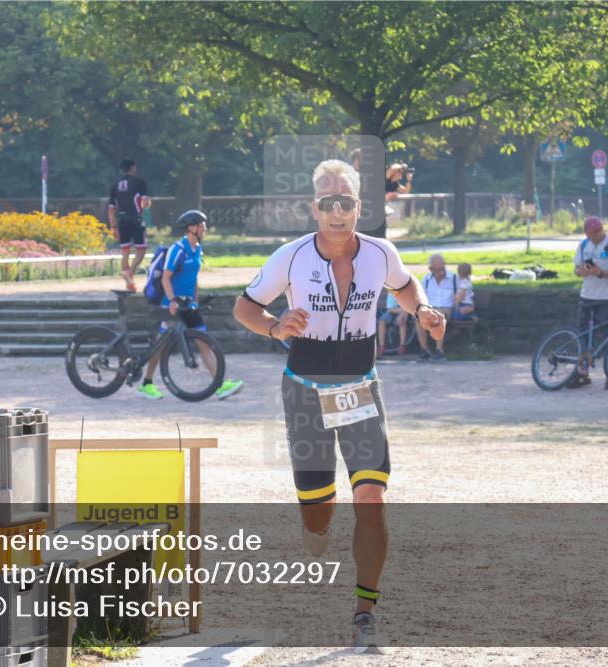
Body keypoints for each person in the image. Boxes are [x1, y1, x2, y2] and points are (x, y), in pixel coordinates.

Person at [232, 159, 445, 652]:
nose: (336, 211)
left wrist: (425, 309)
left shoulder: (379, 253)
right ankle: (314, 526)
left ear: (358, 207)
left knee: (370, 496)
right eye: (327, 202)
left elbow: (406, 286)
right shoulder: (289, 257)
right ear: (315, 208)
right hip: (305, 388)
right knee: (318, 515)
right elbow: (244, 306)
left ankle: (364, 612)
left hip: (359, 385)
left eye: (344, 202)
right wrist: (273, 326)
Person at [137, 210, 243, 401]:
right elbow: (166, 278)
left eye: (204, 226)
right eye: (201, 226)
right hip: (171, 305)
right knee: (159, 346)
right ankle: (147, 384)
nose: (205, 229)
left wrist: (195, 301)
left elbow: (193, 279)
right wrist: (171, 301)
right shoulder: (178, 249)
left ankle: (220, 384)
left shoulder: (197, 250)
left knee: (204, 341)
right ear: (191, 228)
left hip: (187, 304)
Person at [571, 216, 608, 389]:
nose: (591, 238)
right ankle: (582, 374)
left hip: (606, 298)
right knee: (584, 336)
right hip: (587, 295)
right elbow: (576, 269)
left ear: (601, 230)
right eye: (587, 234)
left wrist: (600, 273)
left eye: (593, 234)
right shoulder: (583, 245)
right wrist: (582, 272)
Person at [108, 158, 152, 291]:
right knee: (141, 250)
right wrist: (149, 202)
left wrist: (113, 227)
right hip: (136, 220)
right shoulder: (139, 183)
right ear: (133, 168)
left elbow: (111, 210)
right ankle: (130, 272)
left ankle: (130, 284)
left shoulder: (115, 185)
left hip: (121, 221)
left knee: (125, 252)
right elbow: (145, 203)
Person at [415, 253, 459, 362]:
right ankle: (424, 350)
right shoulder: (427, 279)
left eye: (442, 268)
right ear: (431, 269)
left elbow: (465, 293)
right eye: (438, 270)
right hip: (430, 308)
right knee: (418, 318)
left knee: (437, 315)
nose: (441, 272)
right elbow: (420, 296)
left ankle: (439, 351)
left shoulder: (453, 278)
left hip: (447, 308)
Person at [376, 292, 408, 356]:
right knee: (381, 322)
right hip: (393, 311)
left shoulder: (407, 292)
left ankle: (402, 345)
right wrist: (401, 311)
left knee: (402, 321)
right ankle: (381, 346)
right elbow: (390, 308)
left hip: (405, 312)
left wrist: (402, 313)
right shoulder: (391, 292)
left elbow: (408, 307)